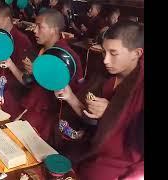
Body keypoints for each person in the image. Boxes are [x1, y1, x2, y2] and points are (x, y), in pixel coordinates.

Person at [54, 20, 144, 180]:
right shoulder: (104, 74)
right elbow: (89, 118)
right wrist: (70, 96)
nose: (105, 60)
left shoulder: (140, 86)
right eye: (104, 52)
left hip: (119, 160)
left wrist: (111, 112)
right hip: (90, 146)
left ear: (137, 53)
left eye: (113, 53)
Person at [5, 9, 83, 141]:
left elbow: (69, 92)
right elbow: (29, 82)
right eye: (35, 26)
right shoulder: (39, 50)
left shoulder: (67, 55)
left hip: (50, 113)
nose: (34, 30)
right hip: (31, 104)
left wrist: (41, 72)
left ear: (54, 29)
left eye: (39, 27)